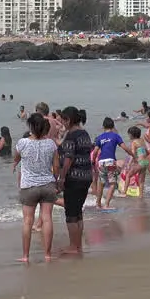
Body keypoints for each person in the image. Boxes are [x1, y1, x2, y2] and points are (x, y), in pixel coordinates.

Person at [13, 113, 57, 262]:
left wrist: (15, 163)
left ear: (30, 126)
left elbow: (17, 157)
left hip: (29, 186)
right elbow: (56, 166)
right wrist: (56, 180)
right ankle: (47, 254)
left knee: (27, 221)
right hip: (47, 184)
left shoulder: (22, 142)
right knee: (47, 219)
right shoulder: (51, 143)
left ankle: (25, 256)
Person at [56, 107, 92, 257]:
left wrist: (62, 178)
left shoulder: (71, 136)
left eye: (63, 120)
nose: (62, 122)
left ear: (68, 120)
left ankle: (73, 246)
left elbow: (68, 158)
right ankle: (78, 245)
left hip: (74, 177)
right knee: (78, 212)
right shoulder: (84, 133)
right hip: (86, 176)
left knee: (71, 213)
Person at [93, 117, 133, 210]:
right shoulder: (115, 136)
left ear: (103, 126)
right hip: (110, 162)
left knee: (101, 183)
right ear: (113, 126)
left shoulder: (99, 137)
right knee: (112, 183)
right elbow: (125, 148)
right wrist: (133, 155)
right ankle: (106, 204)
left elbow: (95, 152)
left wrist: (92, 161)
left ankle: (98, 204)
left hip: (101, 162)